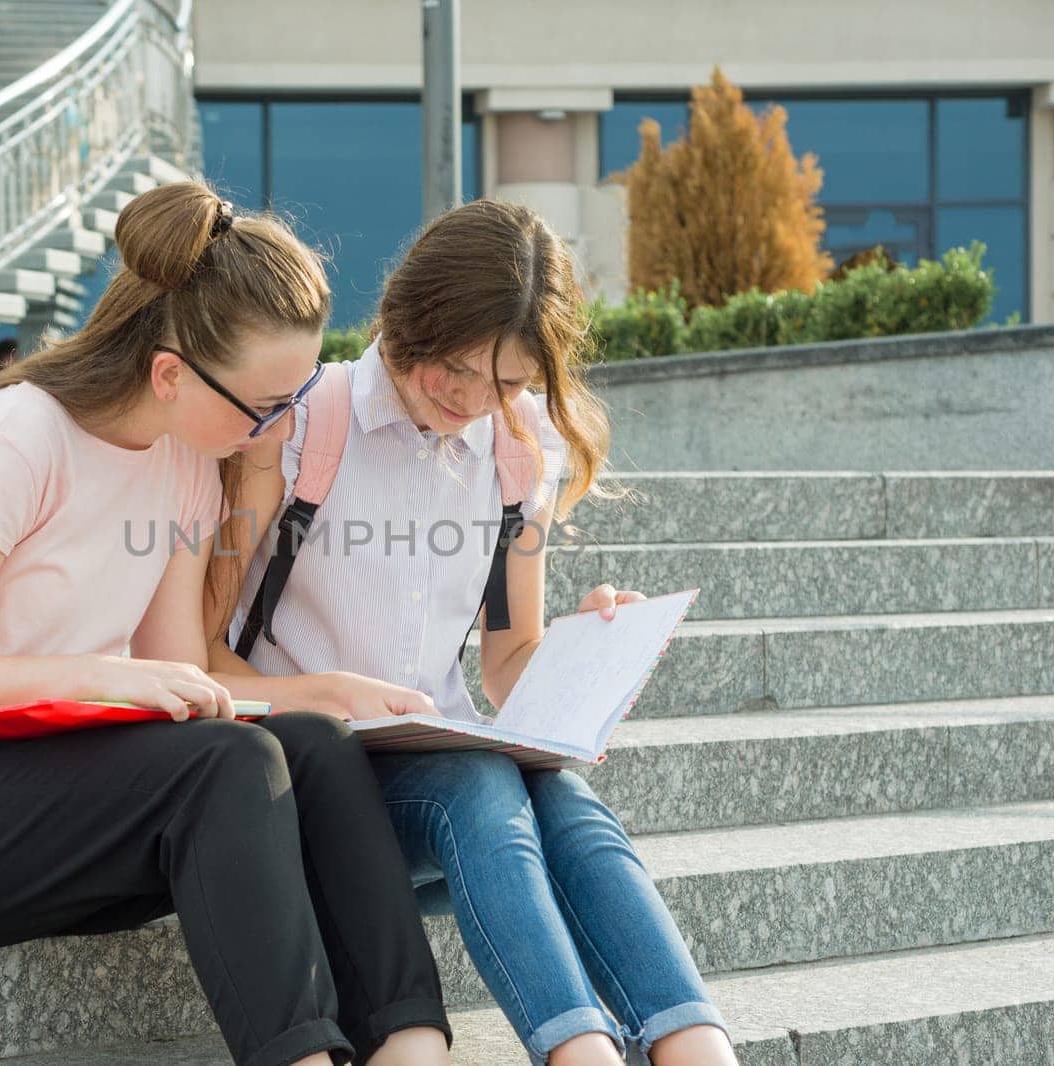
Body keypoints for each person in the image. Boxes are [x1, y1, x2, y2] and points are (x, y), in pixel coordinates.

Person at [0, 182, 453, 1066]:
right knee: (230, 766)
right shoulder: (15, 441)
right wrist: (93, 673)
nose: (277, 428)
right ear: (169, 373)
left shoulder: (188, 464)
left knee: (311, 744)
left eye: (297, 397)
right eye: (264, 405)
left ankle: (411, 1048)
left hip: (50, 777)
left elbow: (181, 671)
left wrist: (322, 692)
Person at [205, 200, 738, 1066]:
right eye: (452, 369)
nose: (472, 400)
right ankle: (581, 1056)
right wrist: (329, 697)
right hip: (308, 779)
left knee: (567, 805)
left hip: (443, 768)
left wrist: (590, 650)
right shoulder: (301, 423)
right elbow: (196, 658)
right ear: (405, 319)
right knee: (481, 791)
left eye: (510, 382)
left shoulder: (518, 453)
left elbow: (508, 662)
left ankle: (696, 1046)